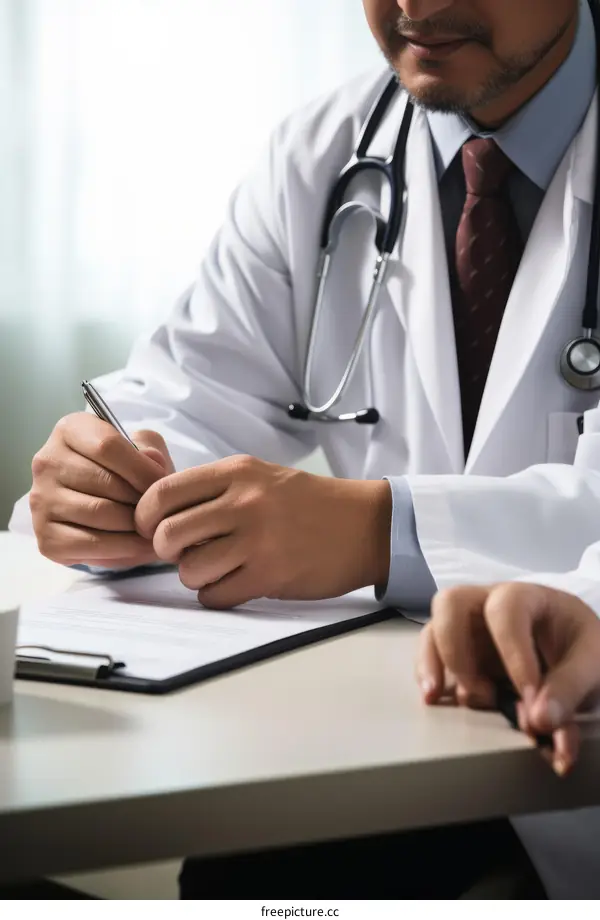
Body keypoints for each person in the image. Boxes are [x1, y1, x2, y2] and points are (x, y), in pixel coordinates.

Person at [9, 0, 600, 899]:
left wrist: (375, 532)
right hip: (381, 752)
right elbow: (187, 392)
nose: (419, 5)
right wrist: (111, 472)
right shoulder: (325, 155)